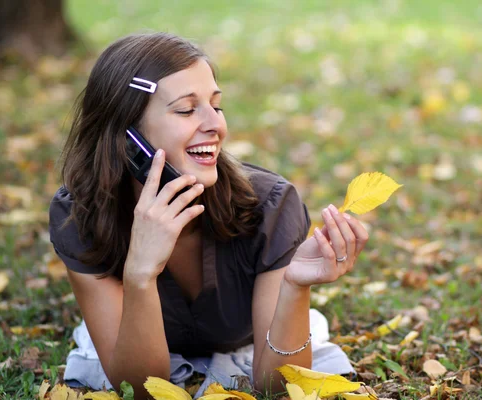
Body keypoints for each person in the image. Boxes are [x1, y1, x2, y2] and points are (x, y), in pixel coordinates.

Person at [48, 32, 369, 399]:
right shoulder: (79, 214)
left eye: (216, 106)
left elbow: (277, 387)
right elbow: (139, 389)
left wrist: (295, 287)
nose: (216, 126)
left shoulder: (270, 205)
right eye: (186, 109)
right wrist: (140, 274)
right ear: (127, 137)